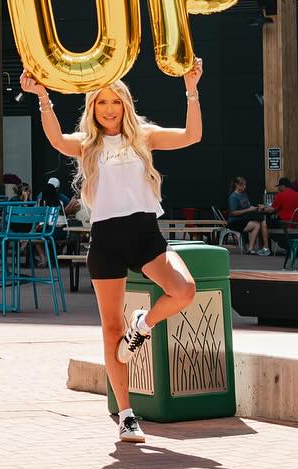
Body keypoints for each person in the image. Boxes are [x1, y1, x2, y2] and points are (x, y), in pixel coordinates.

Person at [24, 62, 203, 446]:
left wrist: (191, 88)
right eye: (101, 102)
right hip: (106, 239)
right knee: (110, 331)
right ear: (93, 107)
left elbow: (192, 135)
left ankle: (145, 322)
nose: (108, 109)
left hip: (145, 235)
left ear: (125, 104)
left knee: (184, 290)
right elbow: (57, 140)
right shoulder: (88, 144)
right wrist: (43, 97)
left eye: (115, 101)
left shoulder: (144, 137)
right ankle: (126, 416)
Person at [226, 175, 270, 255]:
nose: (245, 187)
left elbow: (248, 206)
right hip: (235, 221)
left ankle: (260, 248)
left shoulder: (244, 194)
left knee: (260, 222)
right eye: (243, 185)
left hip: (244, 219)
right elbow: (233, 213)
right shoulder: (233, 197)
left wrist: (257, 207)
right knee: (256, 225)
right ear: (237, 185)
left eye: (245, 185)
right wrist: (249, 210)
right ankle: (251, 249)